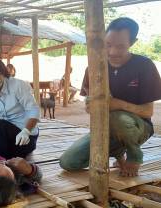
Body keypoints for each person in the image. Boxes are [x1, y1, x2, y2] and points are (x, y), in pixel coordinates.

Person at [59, 17, 161, 177]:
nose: (113, 52)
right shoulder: (93, 67)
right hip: (104, 128)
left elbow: (148, 112)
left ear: (133, 42)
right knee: (68, 162)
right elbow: (90, 102)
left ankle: (135, 156)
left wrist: (117, 104)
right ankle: (118, 152)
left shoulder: (145, 66)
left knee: (117, 118)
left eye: (120, 46)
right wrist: (90, 106)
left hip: (137, 128)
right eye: (108, 45)